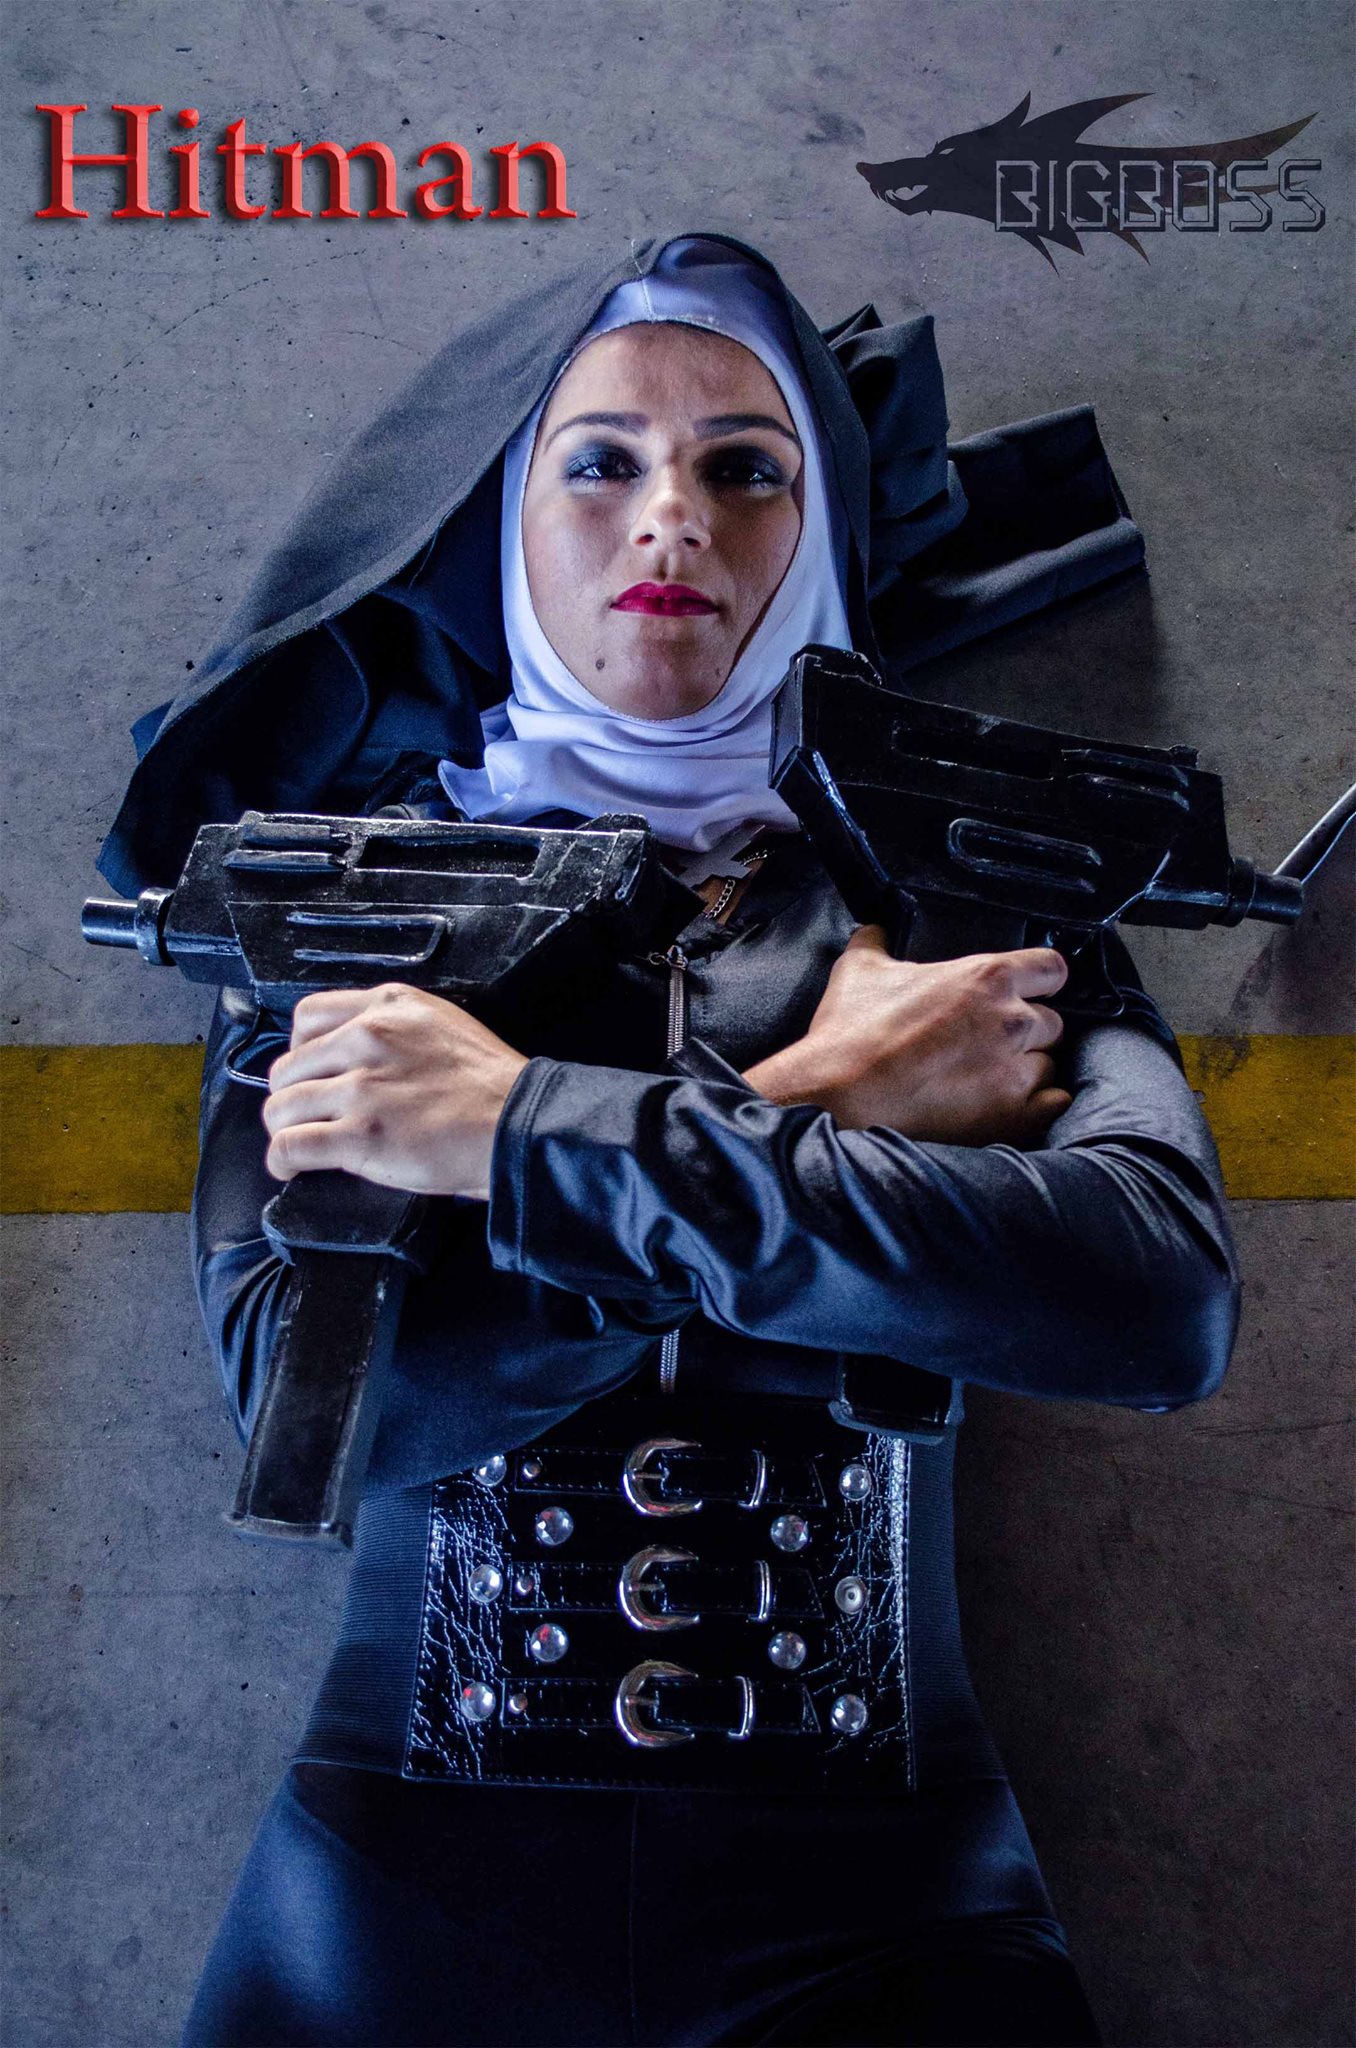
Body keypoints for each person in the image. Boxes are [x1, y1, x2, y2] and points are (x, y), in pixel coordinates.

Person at [101, 232, 1238, 2047]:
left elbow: (1151, 1300)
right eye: (600, 461)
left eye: (746, 468)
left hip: (896, 1919)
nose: (672, 518)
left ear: (820, 537)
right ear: (504, 527)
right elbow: (336, 1416)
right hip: (394, 1915)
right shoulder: (340, 906)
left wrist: (513, 1131)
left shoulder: (976, 901)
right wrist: (816, 1100)